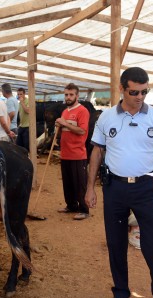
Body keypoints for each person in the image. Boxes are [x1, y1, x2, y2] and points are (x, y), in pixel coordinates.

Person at [85, 67, 153, 298]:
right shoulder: (106, 118)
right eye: (134, 92)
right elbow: (96, 153)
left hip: (146, 188)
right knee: (115, 243)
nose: (140, 97)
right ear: (121, 89)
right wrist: (90, 188)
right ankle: (120, 292)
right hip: (114, 188)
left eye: (144, 92)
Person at [56, 83, 90, 221]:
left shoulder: (82, 111)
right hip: (65, 153)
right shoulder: (65, 111)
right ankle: (71, 205)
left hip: (78, 154)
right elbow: (64, 130)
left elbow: (82, 130)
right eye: (66, 94)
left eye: (71, 94)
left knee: (80, 183)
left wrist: (64, 123)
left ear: (77, 95)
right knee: (68, 182)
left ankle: (84, 209)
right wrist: (58, 125)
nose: (68, 97)